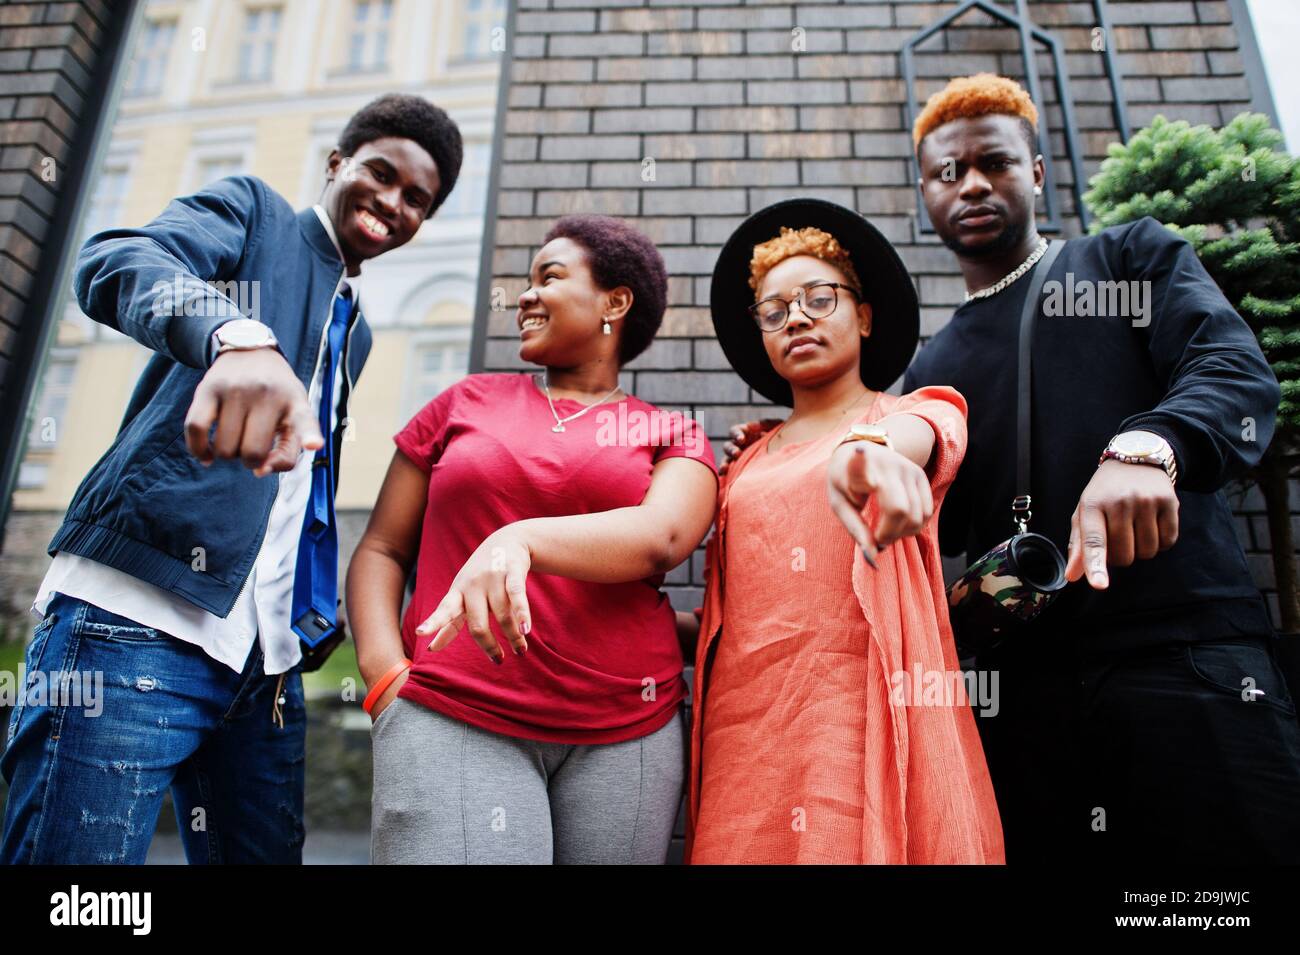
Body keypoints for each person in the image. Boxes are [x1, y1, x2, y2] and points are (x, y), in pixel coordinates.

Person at [729, 74, 1300, 863]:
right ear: (926, 195)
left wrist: (1150, 444)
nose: (970, 184)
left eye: (993, 163)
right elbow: (921, 530)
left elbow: (1235, 375)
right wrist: (785, 452)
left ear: (1034, 172)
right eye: (946, 173)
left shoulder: (1127, 255)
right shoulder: (932, 367)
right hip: (1024, 693)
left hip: (1184, 651)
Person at [0, 93, 462, 864]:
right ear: (337, 163)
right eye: (381, 174)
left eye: (418, 199)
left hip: (265, 671)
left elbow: (301, 489)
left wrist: (313, 611)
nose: (393, 202)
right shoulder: (255, 214)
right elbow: (118, 256)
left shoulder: (361, 329)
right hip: (135, 625)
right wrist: (234, 337)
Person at [347, 214, 718, 865]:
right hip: (453, 712)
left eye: (549, 276)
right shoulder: (465, 402)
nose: (524, 295)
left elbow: (661, 537)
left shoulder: (673, 432)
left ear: (615, 301)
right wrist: (383, 674)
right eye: (526, 280)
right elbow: (382, 548)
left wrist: (520, 538)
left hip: (626, 732)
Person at [683, 198, 1004, 864]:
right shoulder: (740, 463)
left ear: (862, 314)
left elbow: (915, 438)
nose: (795, 315)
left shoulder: (915, 410)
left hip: (862, 718)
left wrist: (870, 454)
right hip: (745, 739)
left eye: (818, 297)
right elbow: (734, 614)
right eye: (773, 311)